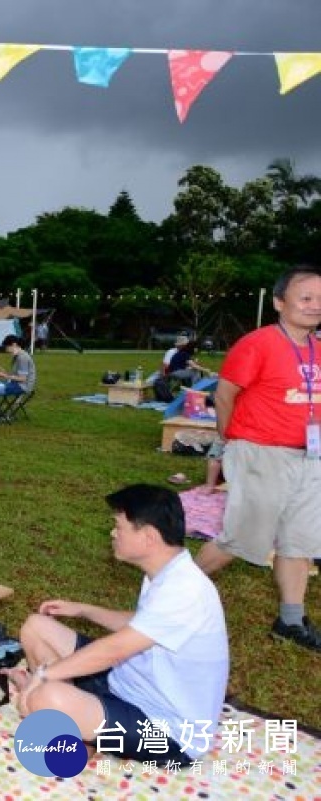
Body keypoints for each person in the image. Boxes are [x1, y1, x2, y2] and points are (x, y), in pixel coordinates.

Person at [8, 484, 228, 767]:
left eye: (119, 526)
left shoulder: (185, 589)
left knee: (47, 696)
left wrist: (43, 676)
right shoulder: (164, 572)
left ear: (148, 537)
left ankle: (74, 733)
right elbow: (143, 625)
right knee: (36, 627)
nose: (113, 533)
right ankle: (75, 722)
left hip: (167, 732)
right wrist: (85, 611)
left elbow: (115, 650)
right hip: (126, 686)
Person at [194, 265, 321, 651]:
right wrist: (234, 443)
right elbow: (224, 396)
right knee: (242, 538)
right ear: (280, 302)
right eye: (306, 298)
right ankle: (170, 594)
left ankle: (291, 621)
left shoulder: (318, 347)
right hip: (260, 453)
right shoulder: (258, 343)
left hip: (310, 457)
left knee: (300, 542)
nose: (315, 306)